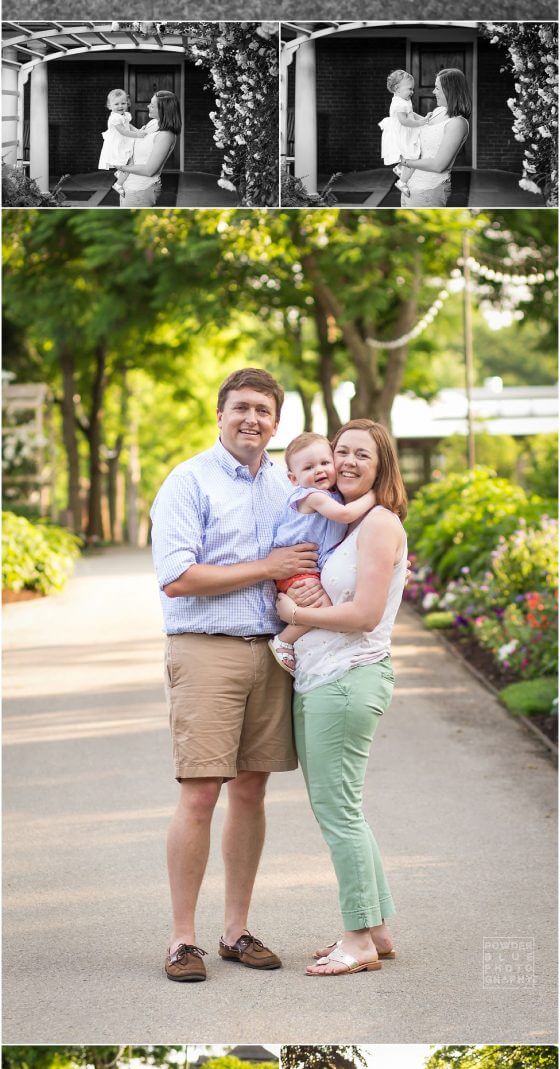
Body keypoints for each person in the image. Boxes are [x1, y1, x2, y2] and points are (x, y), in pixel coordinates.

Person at [150, 367, 319, 983]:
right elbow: (176, 575)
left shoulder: (287, 484)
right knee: (201, 792)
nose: (252, 419)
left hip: (274, 652)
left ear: (278, 423)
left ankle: (235, 931)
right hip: (205, 649)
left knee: (252, 790)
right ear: (220, 414)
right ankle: (181, 940)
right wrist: (264, 565)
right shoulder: (187, 482)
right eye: (241, 407)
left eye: (264, 411)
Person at [276, 418, 407, 976]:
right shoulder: (349, 527)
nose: (347, 462)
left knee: (338, 813)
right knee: (345, 810)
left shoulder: (378, 523)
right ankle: (376, 928)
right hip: (324, 677)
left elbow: (365, 615)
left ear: (381, 468)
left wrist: (296, 616)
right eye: (341, 451)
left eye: (361, 455)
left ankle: (357, 940)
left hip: (347, 678)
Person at [268, 430, 376, 673]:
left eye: (325, 463)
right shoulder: (313, 496)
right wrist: (374, 495)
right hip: (296, 569)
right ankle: (285, 639)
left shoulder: (333, 494)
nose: (319, 470)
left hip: (309, 566)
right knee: (324, 604)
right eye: (308, 468)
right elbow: (345, 515)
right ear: (293, 478)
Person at [397, 69, 471, 207]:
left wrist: (404, 161)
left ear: (450, 91)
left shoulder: (458, 123)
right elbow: (420, 126)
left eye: (437, 88)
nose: (433, 92)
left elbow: (438, 165)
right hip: (410, 187)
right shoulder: (439, 111)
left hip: (429, 191)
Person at [115, 89, 181, 206]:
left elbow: (149, 170)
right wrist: (121, 122)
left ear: (163, 110)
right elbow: (137, 136)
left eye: (152, 105)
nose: (148, 106)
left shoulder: (165, 135)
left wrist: (121, 167)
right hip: (130, 185)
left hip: (141, 190)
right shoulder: (154, 123)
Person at [98, 87, 149, 195]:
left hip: (123, 142)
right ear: (109, 106)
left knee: (128, 161)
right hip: (117, 144)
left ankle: (120, 172)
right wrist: (138, 135)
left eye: (123, 103)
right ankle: (118, 184)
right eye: (116, 104)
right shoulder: (114, 118)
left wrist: (137, 130)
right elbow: (124, 132)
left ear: (127, 103)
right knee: (130, 164)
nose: (120, 106)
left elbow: (128, 126)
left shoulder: (124, 115)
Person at [379, 69, 423, 180]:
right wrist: (419, 123)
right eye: (410, 89)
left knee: (414, 154)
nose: (412, 92)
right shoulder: (399, 103)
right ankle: (402, 182)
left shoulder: (404, 100)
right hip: (402, 132)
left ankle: (400, 168)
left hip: (406, 131)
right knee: (412, 157)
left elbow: (411, 114)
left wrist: (424, 120)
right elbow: (404, 121)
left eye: (412, 89)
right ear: (397, 89)